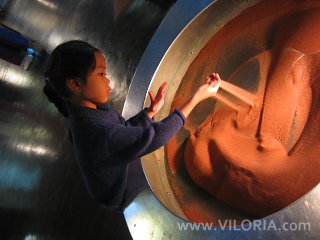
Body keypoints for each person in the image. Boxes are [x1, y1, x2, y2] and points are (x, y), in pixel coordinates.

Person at [43, 40, 221, 212]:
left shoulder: (82, 110)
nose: (108, 81)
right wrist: (196, 98)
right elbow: (156, 137)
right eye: (101, 74)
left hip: (113, 170)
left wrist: (150, 112)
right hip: (120, 193)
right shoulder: (98, 133)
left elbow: (124, 129)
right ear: (75, 84)